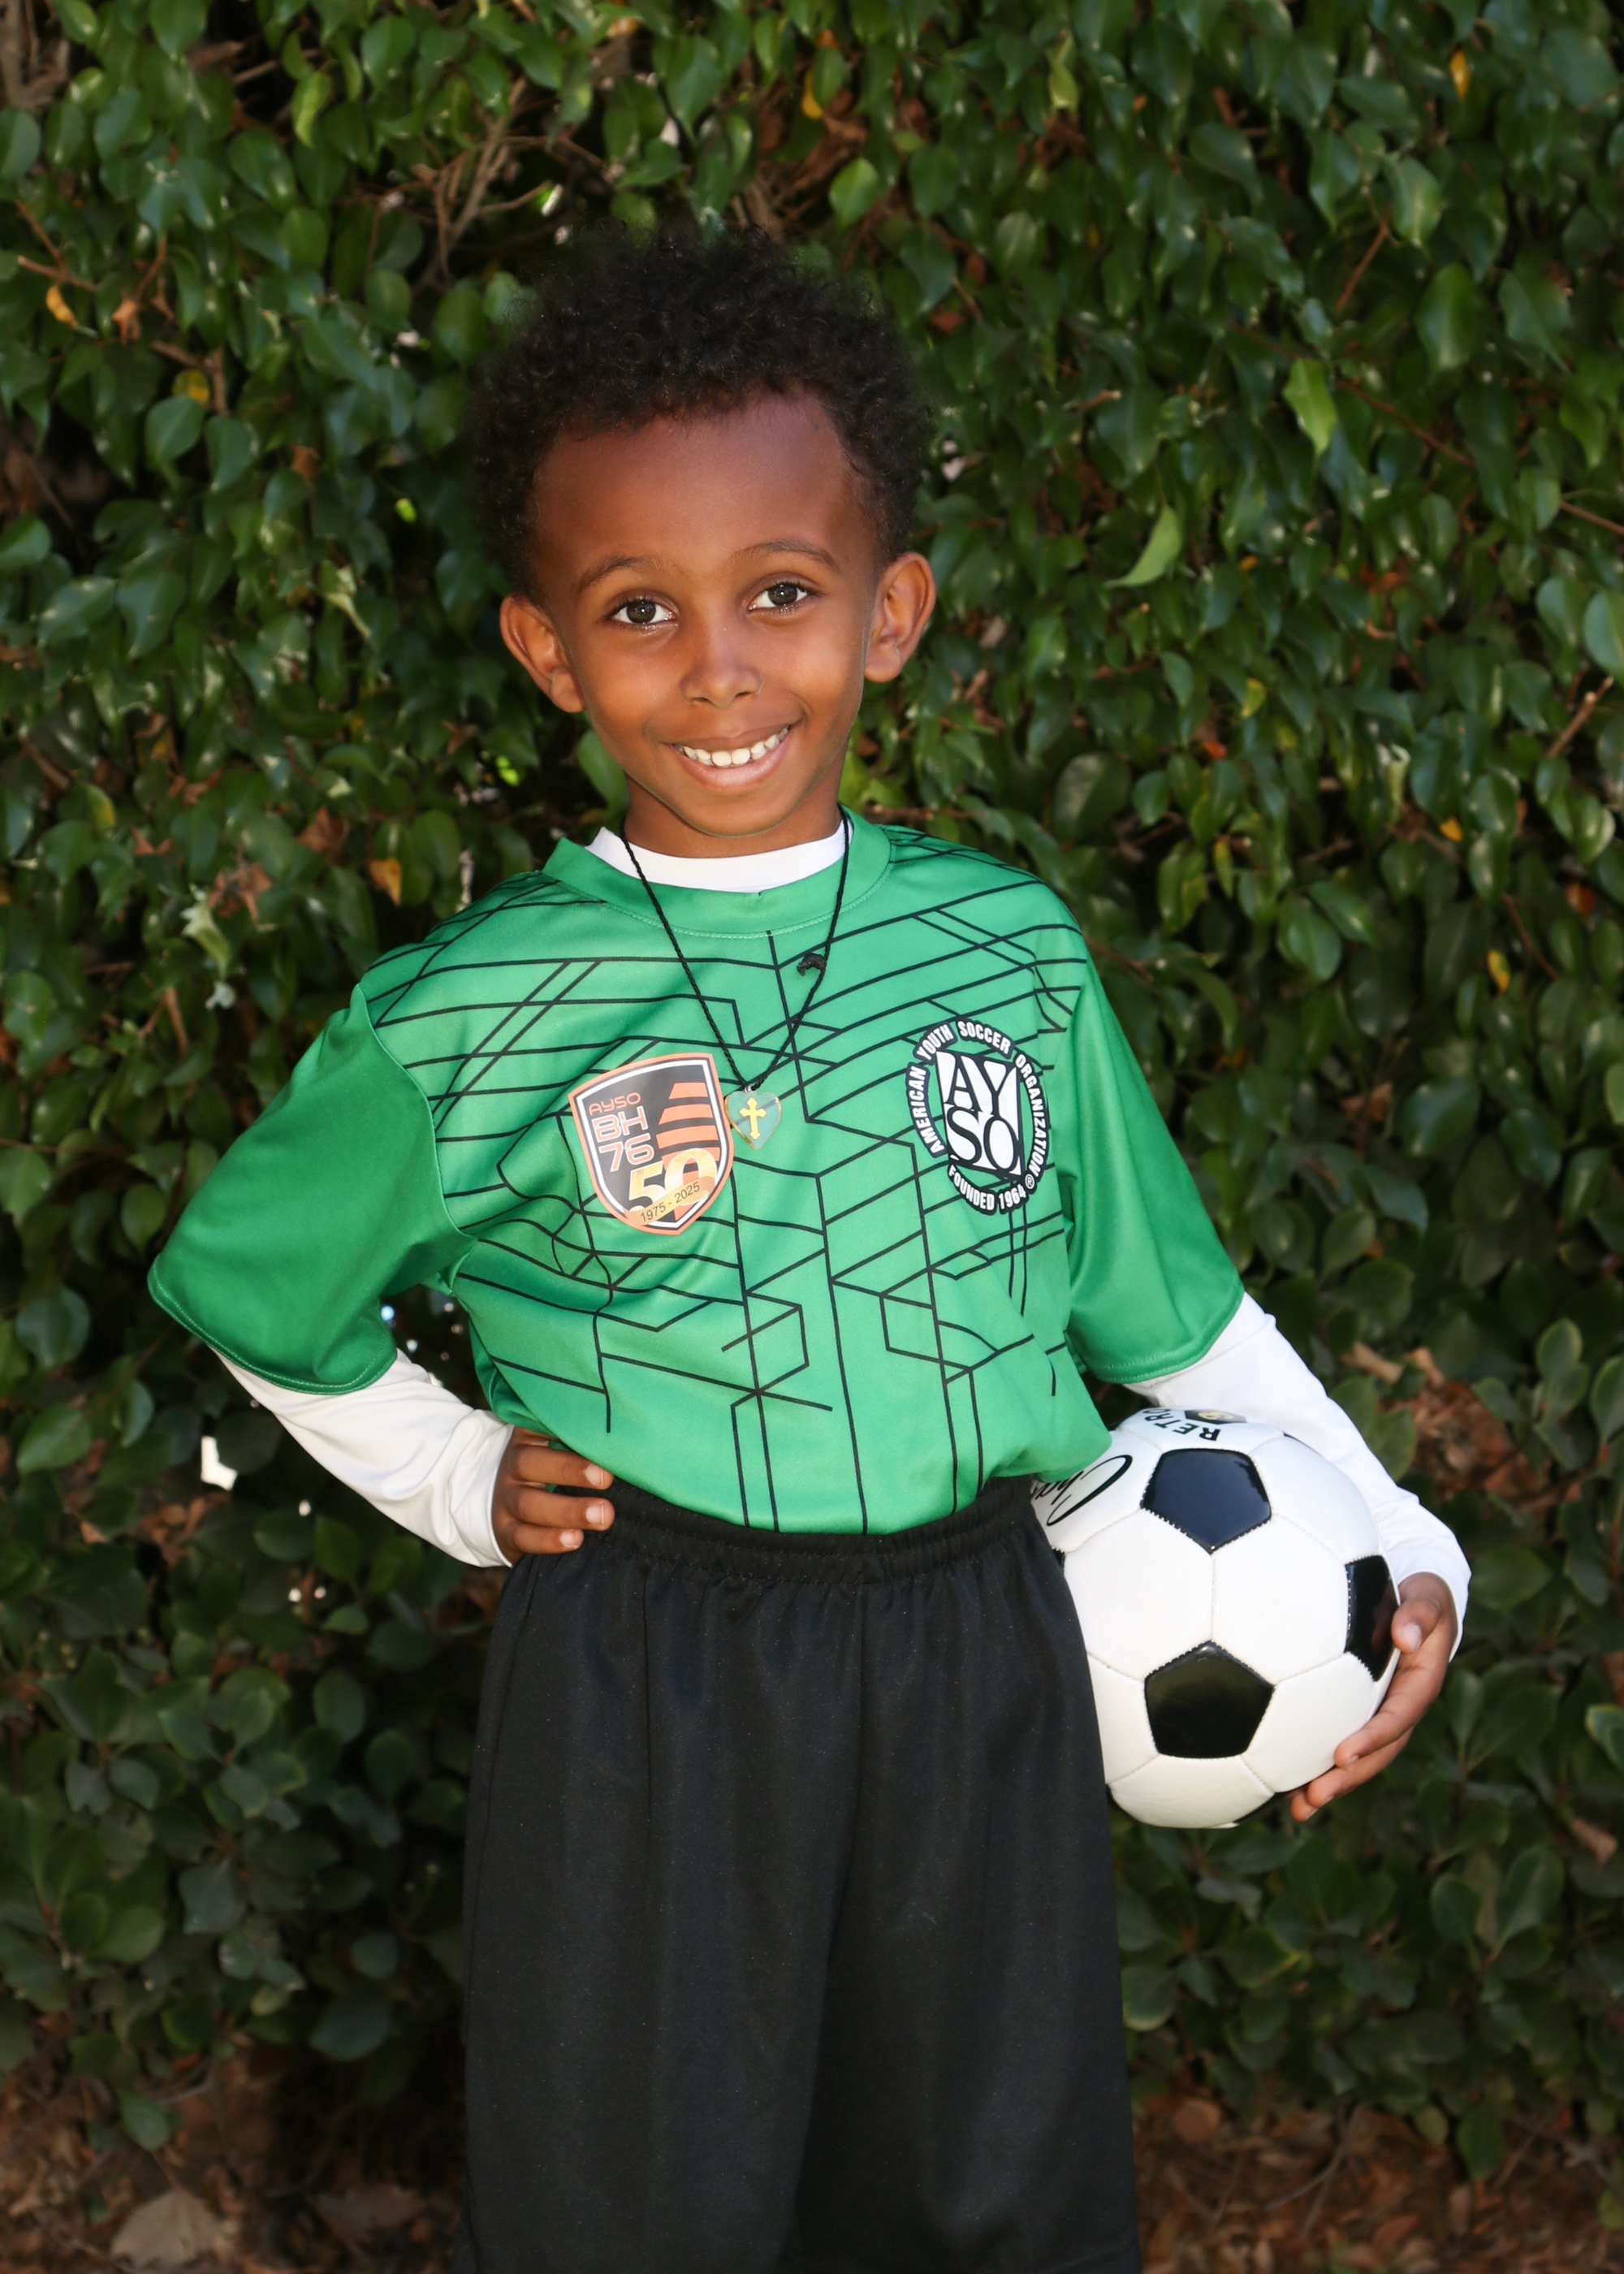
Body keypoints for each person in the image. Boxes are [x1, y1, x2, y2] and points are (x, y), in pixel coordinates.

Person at [149, 230, 1469, 2274]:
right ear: (545, 650)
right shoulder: (469, 1009)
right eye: (638, 609)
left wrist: (1403, 1534)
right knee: (633, 2205)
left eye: (778, 591)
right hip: (648, 1664)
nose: (718, 667)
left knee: (988, 2198)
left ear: (891, 609)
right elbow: (251, 1282)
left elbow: (1178, 1315)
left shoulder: (1005, 950)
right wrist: (453, 1472)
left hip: (982, 1640)